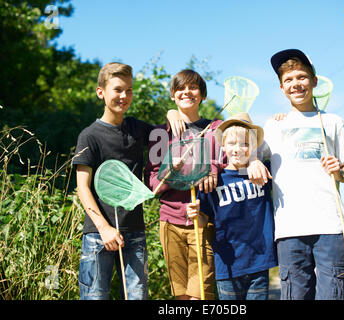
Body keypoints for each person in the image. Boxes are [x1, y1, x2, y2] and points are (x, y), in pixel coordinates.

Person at [144, 69, 270, 300]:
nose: (186, 92)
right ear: (173, 95)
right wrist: (170, 171)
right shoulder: (160, 134)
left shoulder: (215, 130)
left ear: (202, 95)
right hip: (170, 221)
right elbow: (153, 184)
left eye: (193, 88)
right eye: (180, 88)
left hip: (205, 221)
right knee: (181, 296)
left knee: (202, 294)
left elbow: (234, 159)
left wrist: (247, 161)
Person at [73, 62, 181, 300]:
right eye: (118, 89)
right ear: (101, 92)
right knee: (94, 296)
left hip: (134, 230)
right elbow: (82, 188)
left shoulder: (136, 127)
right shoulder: (89, 136)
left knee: (137, 296)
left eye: (129, 90)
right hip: (98, 235)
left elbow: (165, 137)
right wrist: (104, 229)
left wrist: (171, 112)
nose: (124, 96)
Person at [263, 49, 344, 300]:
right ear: (281, 88)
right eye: (288, 80)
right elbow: (246, 150)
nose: (296, 84)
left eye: (302, 77)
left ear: (314, 81)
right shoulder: (274, 125)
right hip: (289, 227)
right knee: (295, 294)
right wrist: (252, 163)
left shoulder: (334, 122)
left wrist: (339, 171)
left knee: (335, 294)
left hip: (330, 224)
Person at [187, 112, 278, 300]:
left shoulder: (263, 172)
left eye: (245, 144)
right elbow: (204, 220)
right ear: (223, 146)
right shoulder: (213, 181)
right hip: (227, 264)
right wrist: (196, 215)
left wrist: (280, 119)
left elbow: (281, 154)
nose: (237, 149)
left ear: (253, 147)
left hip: (259, 260)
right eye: (231, 143)